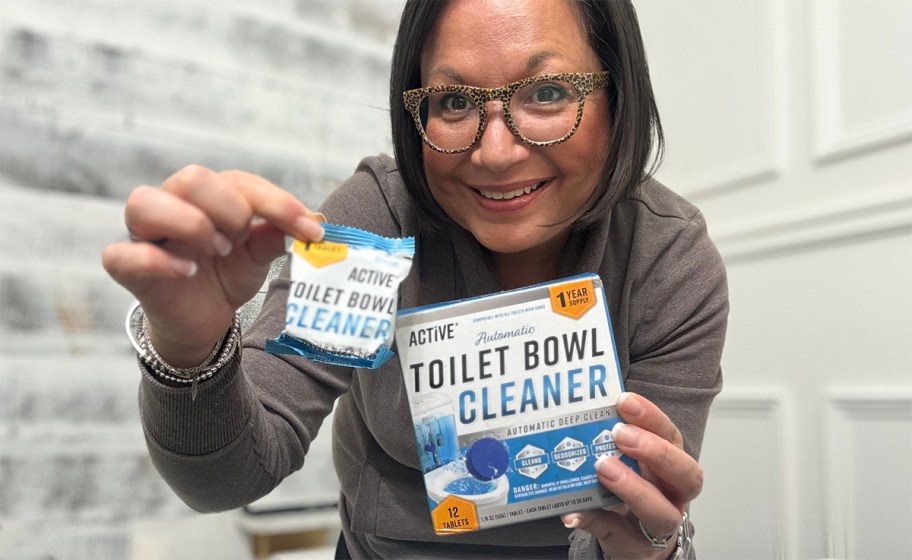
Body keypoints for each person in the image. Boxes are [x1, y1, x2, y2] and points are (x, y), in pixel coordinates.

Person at [102, 0, 728, 558]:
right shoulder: (375, 227)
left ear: (619, 96)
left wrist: (652, 548)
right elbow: (229, 478)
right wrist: (190, 348)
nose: (496, 152)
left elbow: (644, 523)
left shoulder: (669, 258)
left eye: (547, 93)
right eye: (454, 102)